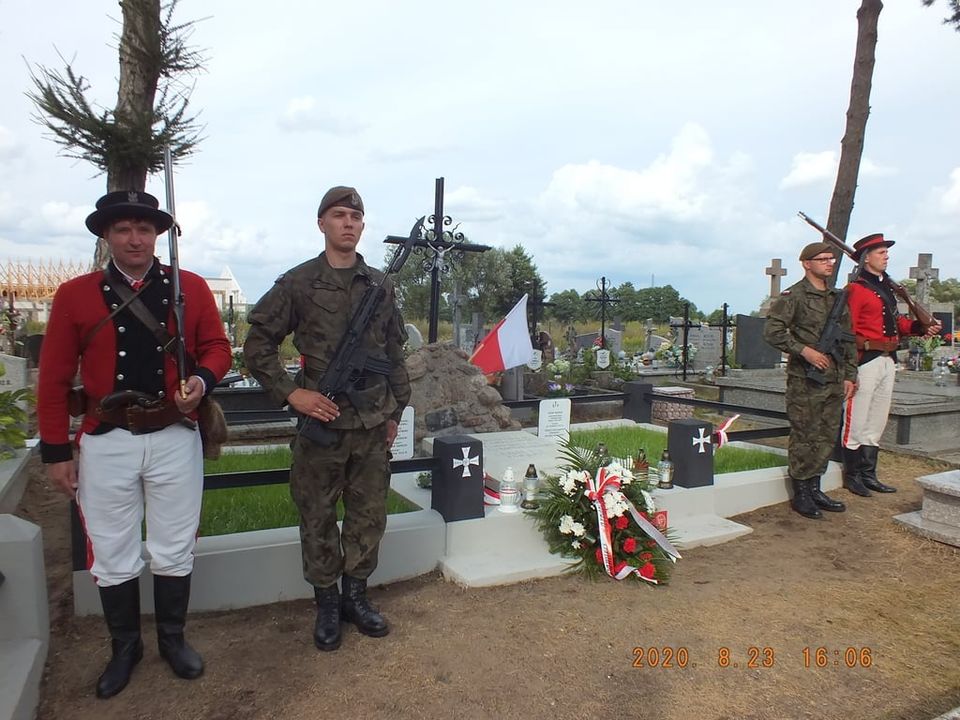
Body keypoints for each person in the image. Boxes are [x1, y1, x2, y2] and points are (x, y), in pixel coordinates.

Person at [37, 190, 232, 698]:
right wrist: (56, 452)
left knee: (174, 544)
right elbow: (53, 378)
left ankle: (172, 639)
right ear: (107, 235)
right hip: (107, 439)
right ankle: (125, 647)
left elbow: (217, 347)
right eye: (123, 229)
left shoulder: (189, 287)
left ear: (157, 235)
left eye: (144, 229)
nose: (135, 238)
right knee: (111, 549)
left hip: (173, 434)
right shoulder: (75, 295)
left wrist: (202, 381)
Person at [243, 186, 410, 652]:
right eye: (338, 215)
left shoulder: (380, 284)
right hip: (322, 425)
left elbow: (393, 351)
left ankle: (356, 597)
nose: (348, 223)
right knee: (317, 516)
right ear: (322, 223)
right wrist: (292, 394)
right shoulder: (298, 283)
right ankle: (327, 603)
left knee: (368, 515)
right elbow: (257, 345)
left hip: (371, 425)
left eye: (355, 216)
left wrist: (396, 410)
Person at [841, 233, 941, 496]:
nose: (886, 256)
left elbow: (896, 324)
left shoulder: (885, 288)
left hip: (888, 359)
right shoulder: (856, 289)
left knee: (876, 420)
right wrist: (849, 369)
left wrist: (920, 327)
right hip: (865, 360)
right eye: (881, 252)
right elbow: (847, 331)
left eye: (886, 252)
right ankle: (852, 475)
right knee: (856, 419)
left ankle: (868, 473)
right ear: (866, 258)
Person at [764, 242, 858, 519]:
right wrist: (804, 351)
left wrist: (850, 375)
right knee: (805, 434)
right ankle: (801, 492)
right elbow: (772, 331)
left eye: (831, 258)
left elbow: (848, 338)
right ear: (807, 263)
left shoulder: (836, 297)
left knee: (827, 434)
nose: (830, 263)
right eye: (823, 259)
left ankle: (816, 487)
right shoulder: (794, 296)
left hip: (834, 378)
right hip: (805, 379)